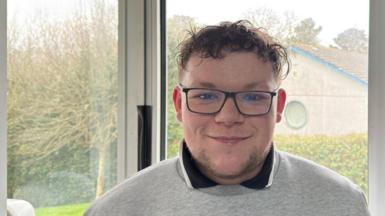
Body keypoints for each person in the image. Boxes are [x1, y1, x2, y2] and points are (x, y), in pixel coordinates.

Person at [85, 20, 370, 216]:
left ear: (278, 106)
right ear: (179, 105)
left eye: (252, 97)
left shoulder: (342, 203)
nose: (228, 116)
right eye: (206, 96)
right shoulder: (117, 210)